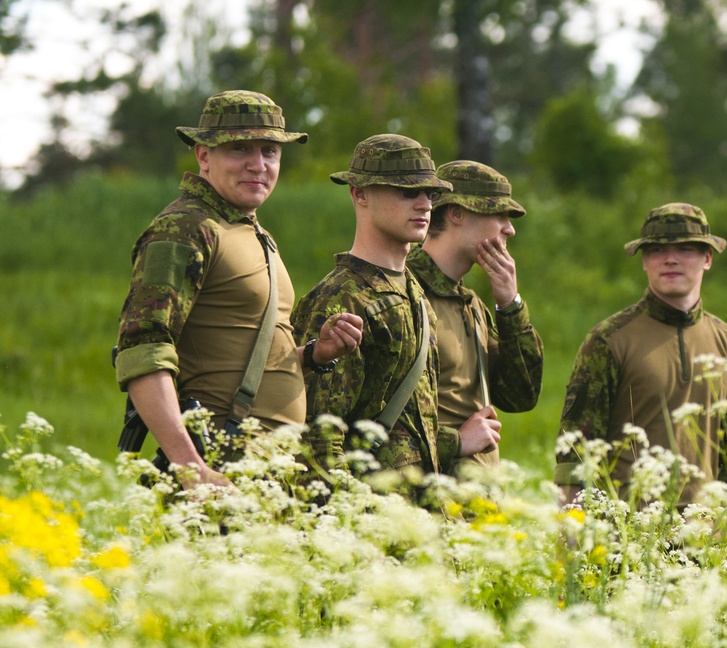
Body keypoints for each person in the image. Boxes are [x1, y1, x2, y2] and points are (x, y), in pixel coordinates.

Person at [114, 90, 363, 490]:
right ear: (203, 155)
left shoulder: (249, 230)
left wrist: (314, 355)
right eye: (239, 149)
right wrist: (191, 468)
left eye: (270, 150)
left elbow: (237, 357)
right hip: (221, 466)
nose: (258, 164)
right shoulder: (185, 229)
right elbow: (143, 352)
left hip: (269, 469)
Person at [291, 134, 501, 480]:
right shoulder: (341, 298)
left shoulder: (414, 292)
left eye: (430, 194)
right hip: (370, 515)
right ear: (359, 193)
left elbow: (412, 427)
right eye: (407, 192)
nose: (424, 204)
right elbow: (319, 439)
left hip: (418, 512)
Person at [554, 202, 727, 507]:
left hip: (706, 542)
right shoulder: (609, 339)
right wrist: (572, 538)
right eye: (656, 250)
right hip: (627, 539)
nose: (670, 260)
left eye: (685, 250)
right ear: (644, 261)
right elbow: (575, 452)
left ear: (708, 258)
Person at [406, 160, 543, 471]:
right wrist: (457, 441)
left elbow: (520, 396)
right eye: (498, 214)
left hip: (475, 507)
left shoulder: (472, 305)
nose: (510, 228)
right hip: (426, 507)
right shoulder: (405, 294)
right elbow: (376, 429)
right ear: (457, 213)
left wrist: (511, 307)